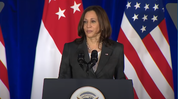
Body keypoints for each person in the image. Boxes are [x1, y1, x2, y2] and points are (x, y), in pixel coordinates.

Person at [58, 5, 125, 79]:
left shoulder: (116, 49)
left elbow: (120, 82)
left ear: (102, 25)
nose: (88, 25)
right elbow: (63, 81)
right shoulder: (70, 48)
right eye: (85, 22)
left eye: (93, 21)